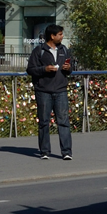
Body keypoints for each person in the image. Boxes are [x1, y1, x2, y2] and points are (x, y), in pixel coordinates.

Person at [27, 24, 73, 160]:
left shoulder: (64, 50)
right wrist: (44, 69)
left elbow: (70, 70)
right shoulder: (39, 51)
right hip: (43, 91)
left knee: (63, 121)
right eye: (59, 34)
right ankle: (45, 151)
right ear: (52, 36)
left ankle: (66, 152)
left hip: (61, 90)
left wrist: (68, 68)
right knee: (44, 122)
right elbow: (30, 69)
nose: (62, 36)